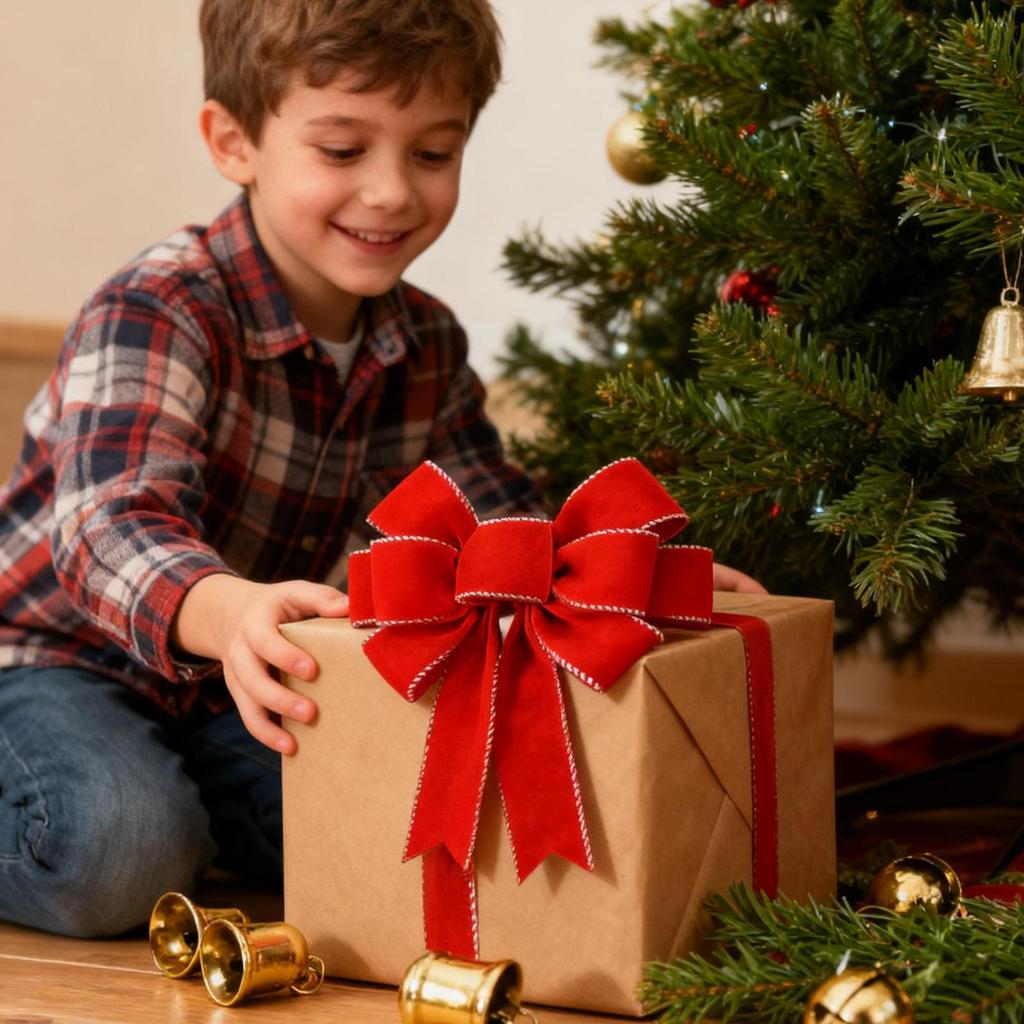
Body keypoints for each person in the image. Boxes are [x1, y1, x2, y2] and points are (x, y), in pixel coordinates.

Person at [0, 0, 763, 940]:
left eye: (433, 154)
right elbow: (109, 524)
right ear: (233, 142)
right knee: (119, 856)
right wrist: (227, 608)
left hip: (249, 683)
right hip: (54, 661)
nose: (394, 192)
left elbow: (495, 529)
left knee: (394, 828)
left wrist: (624, 577)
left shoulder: (425, 342)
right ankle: (152, 812)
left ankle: (186, 803)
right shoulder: (161, 305)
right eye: (343, 150)